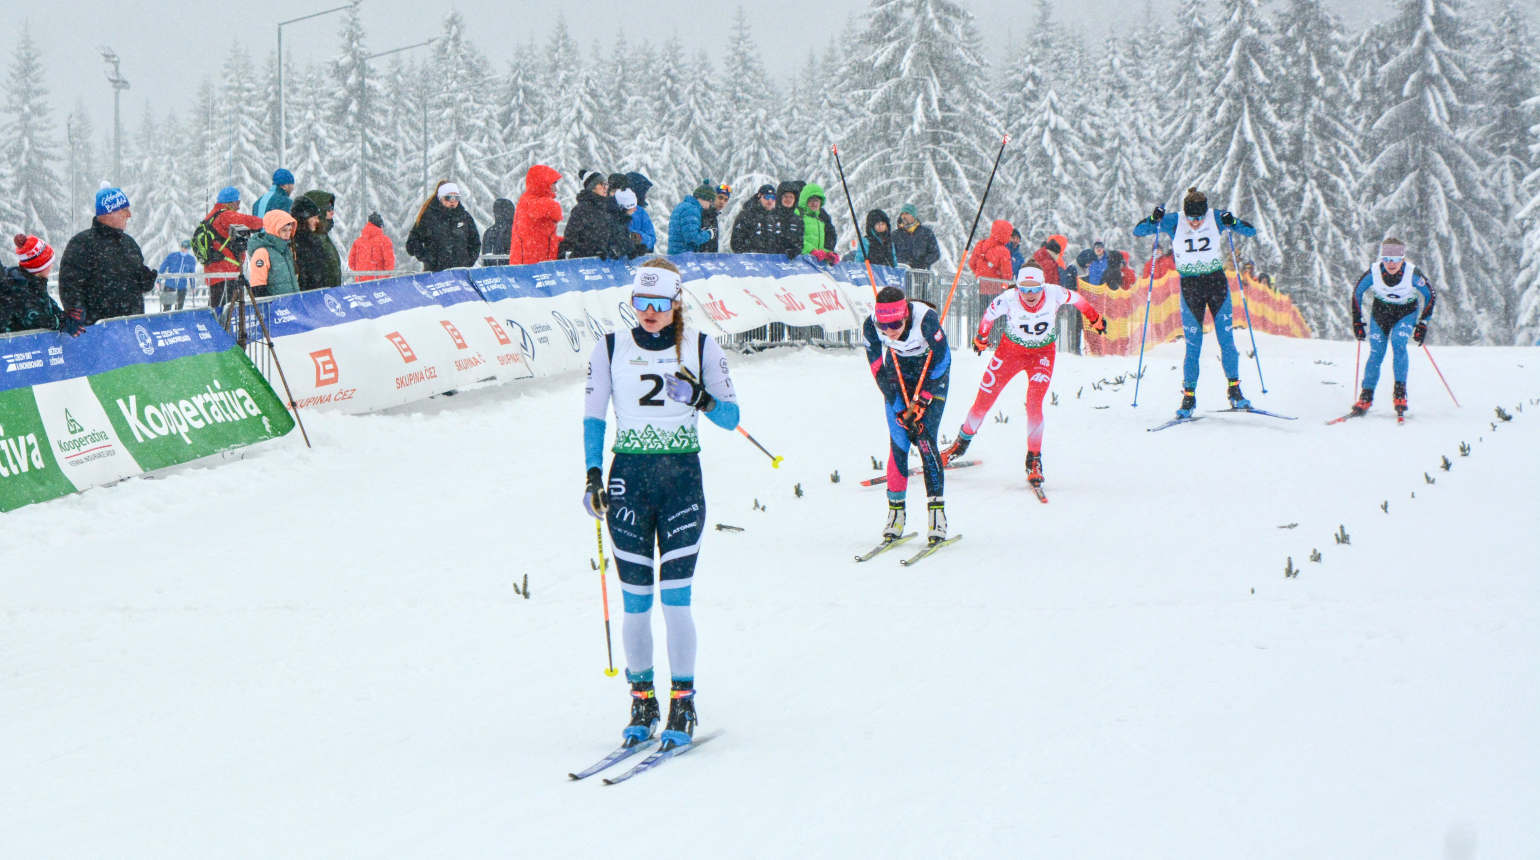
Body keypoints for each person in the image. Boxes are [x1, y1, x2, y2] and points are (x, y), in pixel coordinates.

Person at [582, 258, 740, 751]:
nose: (649, 312)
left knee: (675, 600)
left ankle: (683, 702)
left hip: (681, 482)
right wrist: (592, 475)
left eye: (659, 303)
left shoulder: (702, 346)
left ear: (677, 303)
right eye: (640, 302)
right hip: (628, 481)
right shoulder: (611, 347)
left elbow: (731, 418)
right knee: (636, 602)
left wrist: (701, 399)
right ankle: (642, 701)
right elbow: (593, 416)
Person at [943, 266, 1107, 488]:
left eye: (1035, 289)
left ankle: (1034, 460)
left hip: (1042, 354)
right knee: (983, 402)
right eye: (1024, 289)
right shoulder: (1008, 298)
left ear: (1043, 286)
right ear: (1017, 287)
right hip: (1009, 353)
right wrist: (981, 338)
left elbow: (1078, 300)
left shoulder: (1055, 293)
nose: (1030, 294)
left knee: (1034, 404)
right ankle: (959, 446)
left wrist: (1094, 319)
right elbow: (988, 316)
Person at [1133, 186, 1258, 417]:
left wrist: (1232, 221)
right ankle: (1188, 398)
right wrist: (1153, 218)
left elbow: (1250, 231)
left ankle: (1235, 391)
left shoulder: (1216, 217)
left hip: (1216, 284)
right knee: (1193, 346)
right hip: (1191, 287)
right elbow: (1138, 231)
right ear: (1185, 213)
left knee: (1226, 341)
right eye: (1191, 218)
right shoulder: (1174, 221)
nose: (1196, 222)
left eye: (1200, 217)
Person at [863, 285, 952, 545]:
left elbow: (943, 359)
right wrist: (899, 406)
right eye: (884, 326)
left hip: (931, 374)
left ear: (905, 316)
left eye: (895, 324)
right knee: (899, 441)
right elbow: (877, 368)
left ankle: (936, 515)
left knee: (924, 439)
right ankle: (896, 514)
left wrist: (924, 398)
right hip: (897, 375)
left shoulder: (925, 319)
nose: (889, 331)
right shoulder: (871, 326)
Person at [1346, 237, 1436, 419]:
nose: (1391, 264)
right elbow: (1357, 292)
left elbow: (1430, 295)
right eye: (1387, 259)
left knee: (1398, 343)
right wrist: (1357, 321)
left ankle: (1400, 394)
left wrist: (1423, 323)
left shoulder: (1412, 274)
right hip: (1381, 313)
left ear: (1402, 259)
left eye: (1395, 259)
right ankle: (1366, 397)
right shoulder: (1374, 272)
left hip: (1406, 312)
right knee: (1376, 352)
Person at [59, 185, 158, 325]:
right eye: (125, 210)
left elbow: (135, 285)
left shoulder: (129, 243)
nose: (129, 215)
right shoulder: (81, 244)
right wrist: (85, 324)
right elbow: (70, 289)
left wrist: (146, 280)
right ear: (110, 212)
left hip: (132, 329)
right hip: (99, 332)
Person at [192, 186, 265, 309]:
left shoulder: (212, 215)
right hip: (226, 272)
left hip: (215, 272)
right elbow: (249, 221)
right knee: (226, 310)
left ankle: (216, 321)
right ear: (230, 202)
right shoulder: (225, 214)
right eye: (238, 203)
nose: (238, 207)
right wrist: (267, 223)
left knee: (217, 307)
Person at [3, 235, 83, 336]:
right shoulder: (20, 289)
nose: (51, 266)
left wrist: (65, 316)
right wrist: (64, 323)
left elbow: (49, 307)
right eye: (49, 263)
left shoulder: (34, 284)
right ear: (39, 267)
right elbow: (36, 318)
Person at [406, 181, 481, 272]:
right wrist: (428, 258)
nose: (453, 201)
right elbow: (412, 242)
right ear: (440, 198)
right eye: (448, 197)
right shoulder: (429, 217)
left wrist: (468, 261)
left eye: (456, 197)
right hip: (435, 273)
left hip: (460, 272)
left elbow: (475, 242)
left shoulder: (465, 217)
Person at [558, 170, 627, 260]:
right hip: (583, 263)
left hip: (602, 263)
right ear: (592, 187)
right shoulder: (582, 209)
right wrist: (593, 250)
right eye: (602, 184)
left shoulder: (605, 207)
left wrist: (614, 248)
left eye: (606, 184)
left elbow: (611, 235)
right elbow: (570, 241)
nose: (606, 187)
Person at [511, 165, 563, 265]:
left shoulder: (528, 200)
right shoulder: (530, 201)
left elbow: (540, 234)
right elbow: (551, 209)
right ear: (543, 183)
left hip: (536, 262)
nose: (555, 189)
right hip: (531, 265)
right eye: (553, 185)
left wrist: (559, 240)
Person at [244, 210, 300, 296]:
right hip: (274, 302)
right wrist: (269, 302)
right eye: (284, 230)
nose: (288, 234)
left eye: (290, 230)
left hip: (291, 301)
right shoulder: (262, 252)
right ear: (273, 229)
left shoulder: (288, 250)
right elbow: (257, 285)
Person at [301, 190, 343, 288]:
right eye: (328, 208)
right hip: (319, 294)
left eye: (332, 208)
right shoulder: (310, 239)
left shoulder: (323, 237)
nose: (332, 212)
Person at [289, 196, 329, 292]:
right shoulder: (293, 243)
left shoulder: (314, 240)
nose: (317, 221)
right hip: (306, 294)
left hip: (315, 292)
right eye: (314, 217)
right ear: (303, 218)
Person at [668, 184, 717, 254]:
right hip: (684, 255)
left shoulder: (682, 206)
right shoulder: (692, 210)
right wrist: (709, 234)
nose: (709, 206)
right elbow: (692, 237)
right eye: (710, 202)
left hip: (675, 253)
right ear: (704, 198)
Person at [730, 184, 778, 254]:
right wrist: (750, 250)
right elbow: (736, 243)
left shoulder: (775, 217)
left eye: (773, 198)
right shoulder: (746, 215)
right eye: (767, 197)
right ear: (759, 196)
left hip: (770, 259)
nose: (770, 200)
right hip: (750, 258)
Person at [348, 213, 396, 281]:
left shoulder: (358, 241)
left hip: (360, 281)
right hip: (379, 281)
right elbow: (389, 263)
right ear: (380, 225)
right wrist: (387, 276)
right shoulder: (385, 240)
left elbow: (351, 262)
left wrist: (361, 272)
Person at [892, 204, 940, 270]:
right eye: (902, 214)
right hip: (901, 272)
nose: (904, 216)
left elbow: (935, 253)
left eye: (907, 213)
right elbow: (889, 254)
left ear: (913, 216)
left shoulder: (926, 233)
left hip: (921, 273)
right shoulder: (895, 235)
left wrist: (923, 263)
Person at [797, 183, 838, 260]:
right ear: (805, 200)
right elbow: (795, 239)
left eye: (817, 201)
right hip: (799, 261)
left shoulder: (820, 220)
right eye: (812, 200)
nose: (815, 204)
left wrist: (828, 254)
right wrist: (811, 251)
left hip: (813, 262)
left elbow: (820, 246)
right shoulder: (798, 214)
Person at [967, 220, 1015, 284]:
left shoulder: (981, 244)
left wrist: (980, 275)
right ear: (1006, 234)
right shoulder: (1004, 251)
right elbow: (1007, 276)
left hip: (980, 284)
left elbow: (972, 263)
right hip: (995, 287)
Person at [156, 240, 198, 311]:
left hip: (181, 287)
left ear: (189, 249)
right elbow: (163, 267)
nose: (183, 249)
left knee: (179, 309)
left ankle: (177, 318)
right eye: (182, 247)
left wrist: (193, 286)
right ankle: (166, 318)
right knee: (166, 308)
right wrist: (158, 280)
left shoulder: (191, 260)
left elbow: (192, 275)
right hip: (169, 286)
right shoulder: (172, 256)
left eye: (185, 248)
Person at [769, 181, 805, 258]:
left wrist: (794, 250)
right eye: (785, 196)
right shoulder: (771, 216)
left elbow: (800, 241)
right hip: (771, 259)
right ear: (780, 198)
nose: (788, 199)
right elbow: (766, 239)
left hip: (789, 261)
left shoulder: (798, 220)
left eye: (791, 197)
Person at [625, 172, 657, 254]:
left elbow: (652, 239)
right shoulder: (616, 208)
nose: (646, 196)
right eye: (644, 192)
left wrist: (640, 238)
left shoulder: (641, 212)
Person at [482, 198, 515, 265]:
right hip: (511, 269)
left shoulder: (489, 232)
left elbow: (485, 256)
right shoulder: (515, 230)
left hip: (491, 269)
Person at [614, 190, 646, 258]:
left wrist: (634, 248)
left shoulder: (623, 220)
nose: (635, 209)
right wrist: (632, 249)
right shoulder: (616, 221)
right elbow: (617, 243)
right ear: (626, 207)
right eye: (633, 206)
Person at [699, 183, 730, 253]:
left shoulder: (713, 216)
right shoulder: (704, 213)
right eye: (720, 197)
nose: (722, 202)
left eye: (726, 200)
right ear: (712, 197)